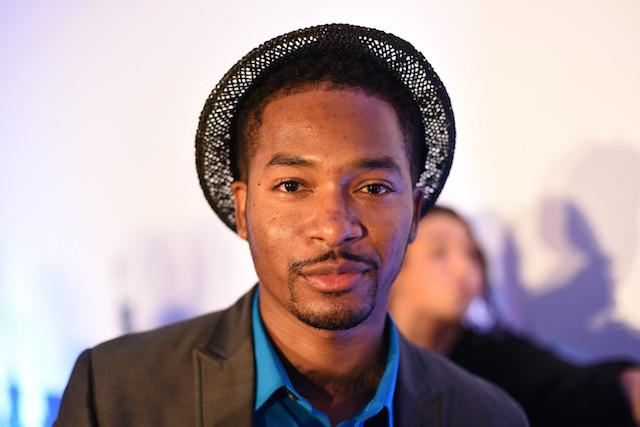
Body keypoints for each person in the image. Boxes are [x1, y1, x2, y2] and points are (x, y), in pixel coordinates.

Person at [54, 24, 528, 426]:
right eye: (291, 186)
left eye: (373, 188)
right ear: (242, 211)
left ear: (416, 212)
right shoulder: (117, 392)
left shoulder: (489, 415)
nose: (334, 227)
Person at [388, 205, 640, 426]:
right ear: (394, 264)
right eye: (438, 253)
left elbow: (578, 387)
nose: (463, 267)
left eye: (471, 253)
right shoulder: (362, 355)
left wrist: (628, 385)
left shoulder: (498, 357)